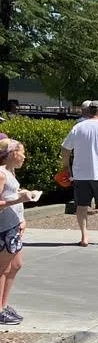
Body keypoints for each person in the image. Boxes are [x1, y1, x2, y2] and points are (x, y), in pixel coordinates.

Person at [59, 100, 98, 247]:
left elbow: (65, 149)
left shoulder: (78, 127)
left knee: (81, 205)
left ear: (88, 111)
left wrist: (66, 167)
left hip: (80, 174)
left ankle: (84, 236)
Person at [0, 139, 34, 325]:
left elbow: (9, 195)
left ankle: (4, 304)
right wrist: (19, 200)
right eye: (22, 152)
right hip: (3, 227)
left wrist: (21, 215)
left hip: (13, 225)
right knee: (2, 268)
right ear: (13, 153)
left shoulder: (8, 172)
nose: (24, 157)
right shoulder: (1, 174)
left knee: (16, 265)